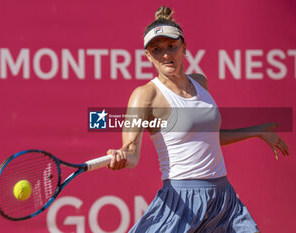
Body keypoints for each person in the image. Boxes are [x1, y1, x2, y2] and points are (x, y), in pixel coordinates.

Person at [106, 5, 290, 233]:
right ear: (148, 56)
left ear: (184, 47)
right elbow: (131, 152)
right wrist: (122, 155)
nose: (165, 54)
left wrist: (258, 131)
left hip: (224, 199)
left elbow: (209, 138)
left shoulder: (200, 82)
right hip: (181, 201)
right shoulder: (145, 95)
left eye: (172, 46)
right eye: (156, 49)